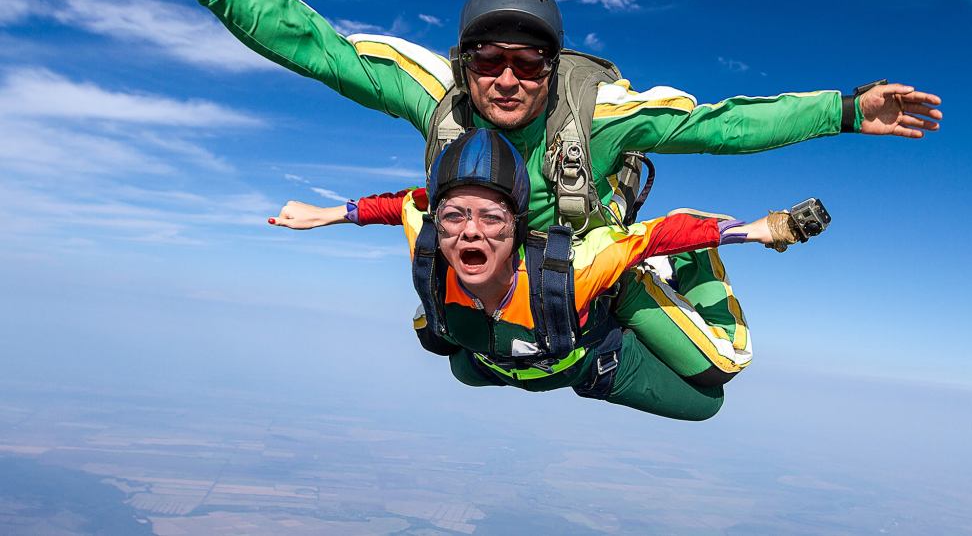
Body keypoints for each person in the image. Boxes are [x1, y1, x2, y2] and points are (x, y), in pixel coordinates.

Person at [76, 0, 942, 384]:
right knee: (456, 356)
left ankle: (686, 262)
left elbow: (721, 123)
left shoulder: (600, 115)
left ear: (552, 64)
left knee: (708, 373)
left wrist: (846, 109)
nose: (505, 76)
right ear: (462, 63)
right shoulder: (434, 94)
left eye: (528, 59)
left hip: (591, 258)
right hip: (495, 264)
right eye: (485, 58)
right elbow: (321, 50)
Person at [277, 129, 819, 420]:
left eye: (491, 218)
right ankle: (610, 223)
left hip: (589, 359)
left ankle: (638, 274)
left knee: (712, 386)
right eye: (454, 218)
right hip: (501, 356)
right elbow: (406, 203)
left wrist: (765, 229)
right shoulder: (426, 236)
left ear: (516, 227)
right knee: (447, 351)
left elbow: (661, 233)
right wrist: (328, 215)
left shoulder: (574, 271)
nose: (469, 233)